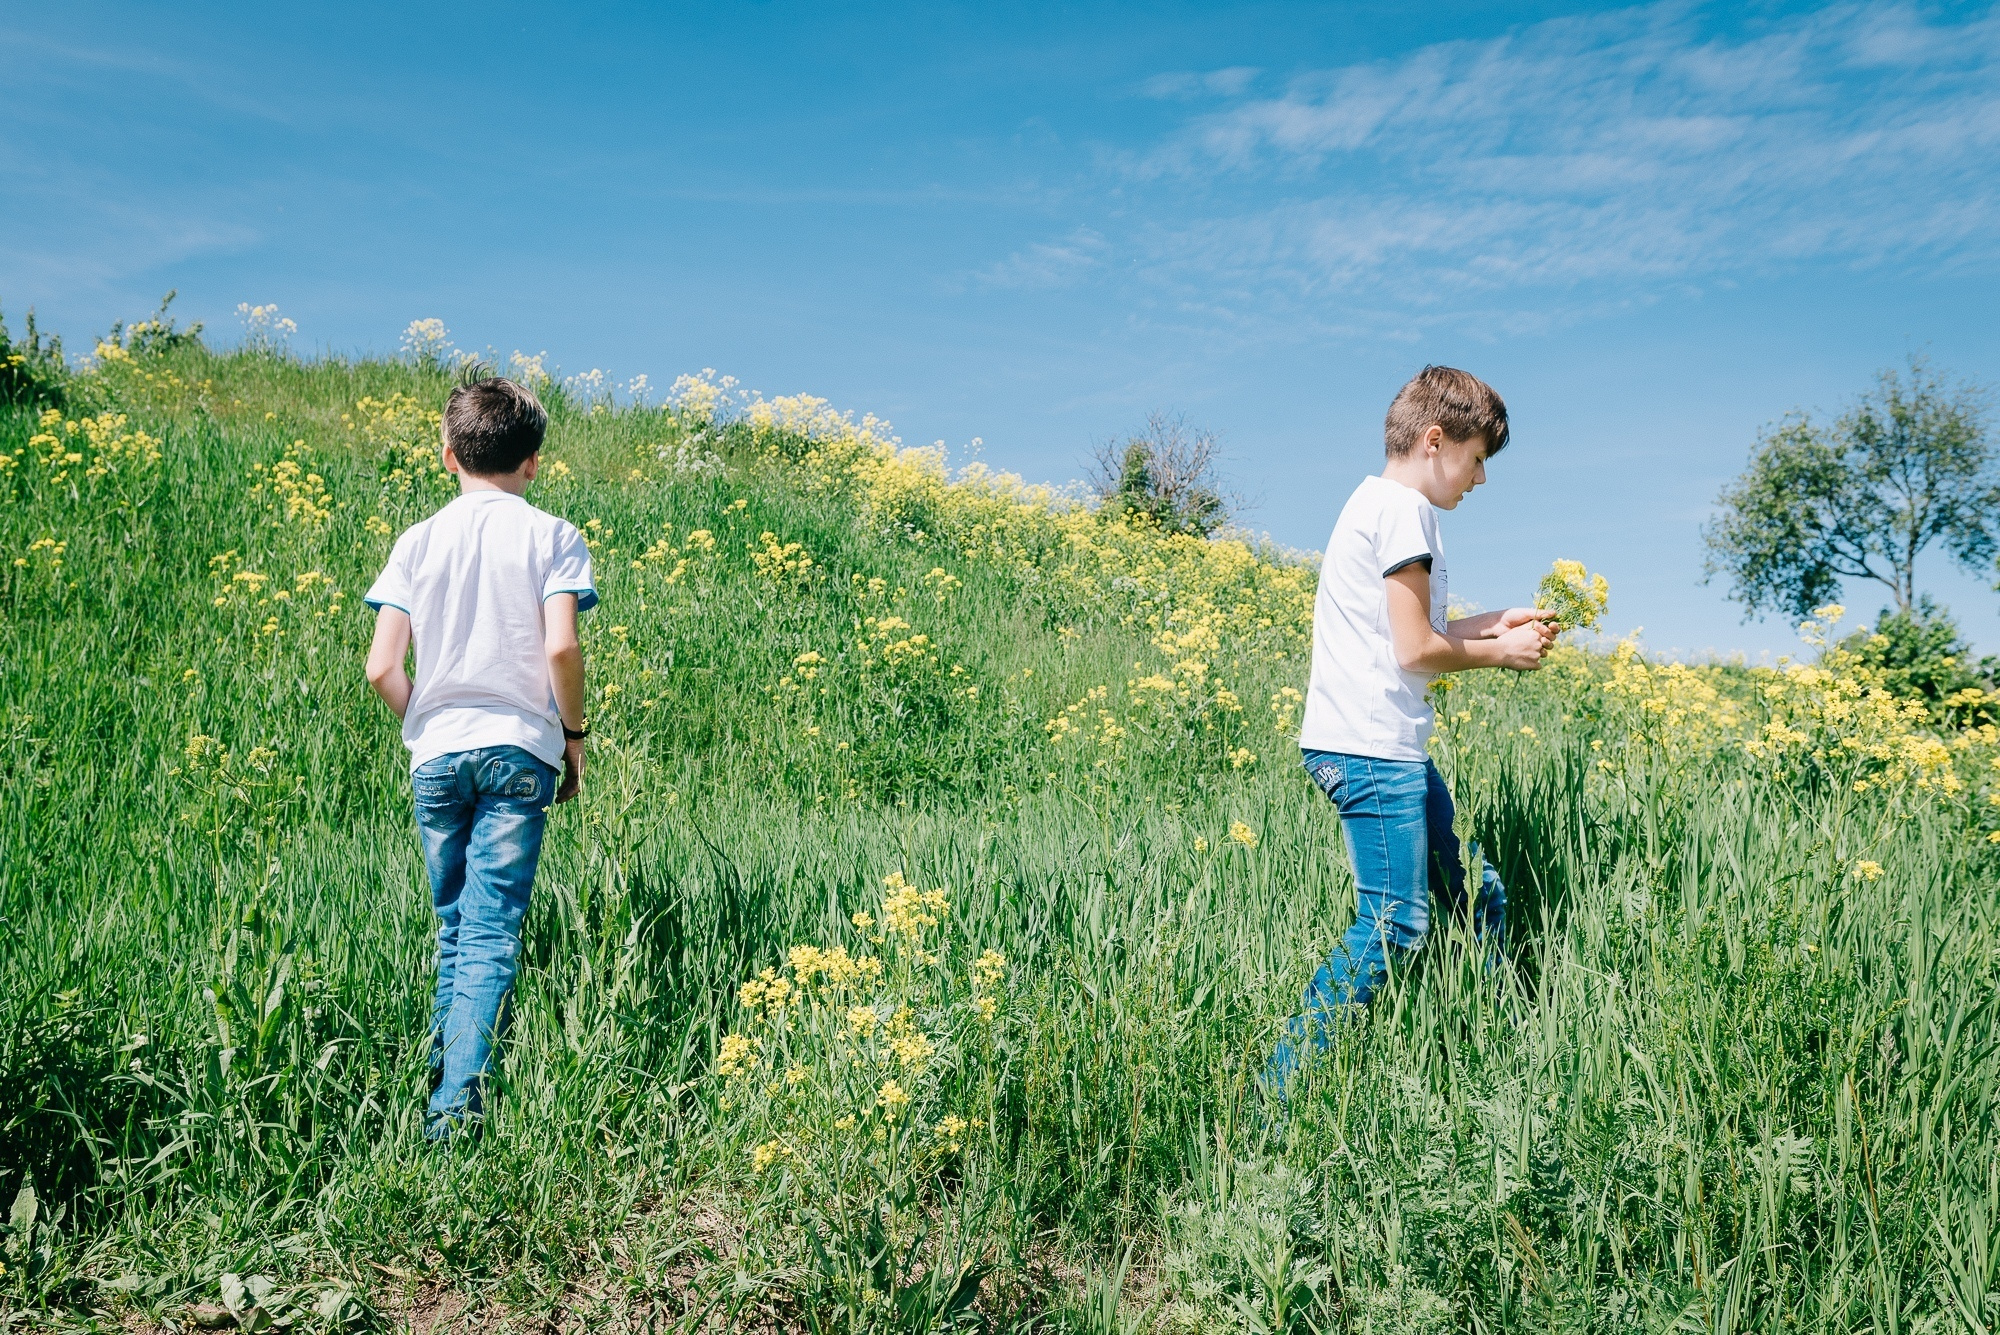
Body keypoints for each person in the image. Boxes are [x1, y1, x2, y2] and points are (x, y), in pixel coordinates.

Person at [1265, 365, 1554, 1098]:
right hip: (1371, 748)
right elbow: (1417, 650)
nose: (1481, 478)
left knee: (1475, 892)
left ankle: (1506, 1053)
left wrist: (1496, 623)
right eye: (1477, 458)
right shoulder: (1404, 512)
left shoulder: (1376, 503)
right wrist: (1503, 654)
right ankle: (1277, 1089)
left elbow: (1417, 628)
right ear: (1435, 440)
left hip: (1378, 744)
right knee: (1394, 923)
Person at [362, 374, 596, 1139]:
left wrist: (427, 720)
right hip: (519, 749)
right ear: (533, 460)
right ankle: (452, 1114)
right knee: (491, 930)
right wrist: (573, 736)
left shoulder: (416, 539)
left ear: (448, 455)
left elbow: (381, 667)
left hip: (436, 752)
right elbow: (560, 647)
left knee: (454, 928)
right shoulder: (553, 535)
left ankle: (438, 1082)